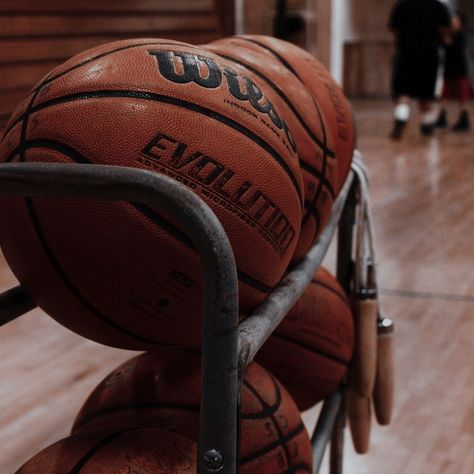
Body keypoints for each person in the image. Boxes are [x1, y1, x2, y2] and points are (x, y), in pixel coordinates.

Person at [388, 0, 452, 139]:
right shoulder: (438, 6)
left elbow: (393, 28)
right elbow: (447, 30)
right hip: (430, 54)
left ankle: (401, 117)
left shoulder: (402, 4)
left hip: (406, 52)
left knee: (404, 92)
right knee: (426, 94)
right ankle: (427, 123)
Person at [435, 12, 471, 132]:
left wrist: (445, 35)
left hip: (459, 70)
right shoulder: (447, 34)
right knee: (444, 95)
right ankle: (442, 117)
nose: (452, 23)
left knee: (462, 96)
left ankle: (464, 119)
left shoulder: (460, 35)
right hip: (448, 70)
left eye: (455, 21)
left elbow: (451, 45)